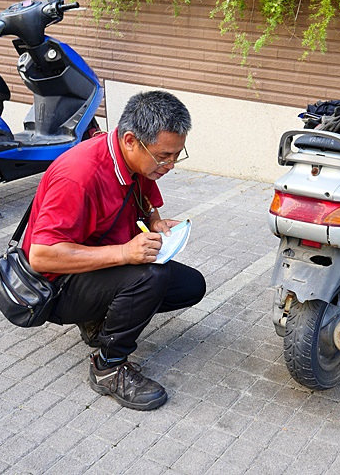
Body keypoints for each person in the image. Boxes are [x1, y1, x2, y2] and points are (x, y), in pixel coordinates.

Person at [23, 90, 206, 411]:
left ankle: (98, 320)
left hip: (93, 267)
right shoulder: (79, 176)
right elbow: (41, 257)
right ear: (132, 140)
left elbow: (146, 201)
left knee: (191, 286)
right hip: (56, 286)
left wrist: (157, 223)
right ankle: (108, 367)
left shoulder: (133, 160)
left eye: (177, 154)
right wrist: (125, 254)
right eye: (164, 156)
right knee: (150, 275)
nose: (171, 165)